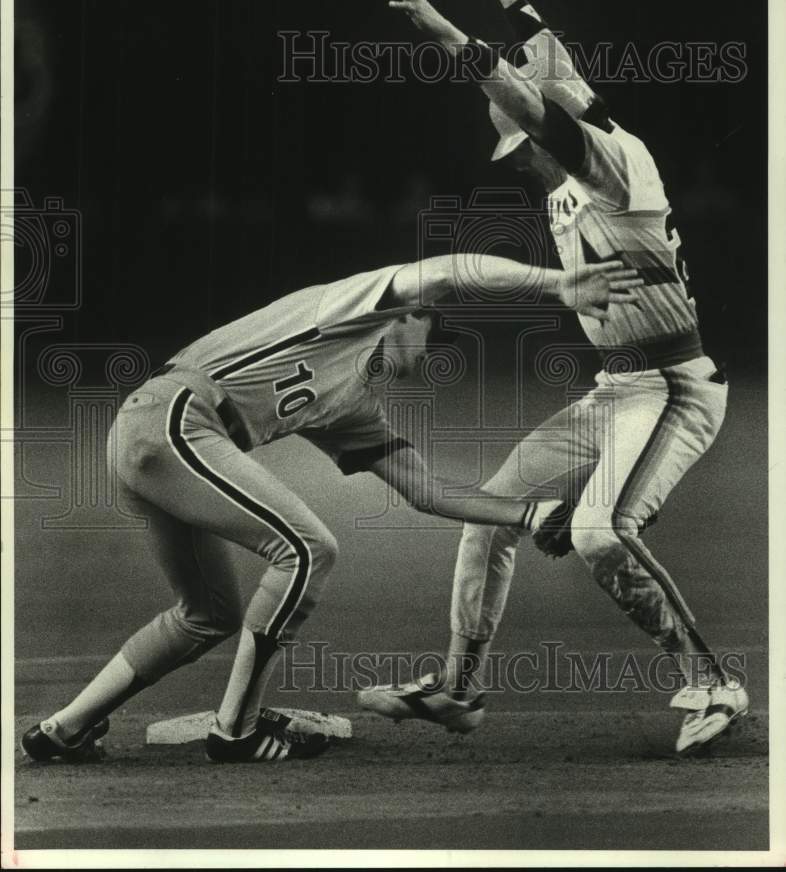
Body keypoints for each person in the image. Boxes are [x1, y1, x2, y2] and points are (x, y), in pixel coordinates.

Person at [21, 250, 639, 764]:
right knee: (307, 549)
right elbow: (450, 268)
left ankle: (66, 728)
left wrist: (530, 514)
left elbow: (425, 491)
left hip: (161, 443)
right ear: (408, 314)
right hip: (175, 419)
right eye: (432, 330)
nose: (431, 352)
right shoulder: (351, 307)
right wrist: (557, 284)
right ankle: (236, 730)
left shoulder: (351, 403)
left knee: (207, 615)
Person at [360, 0, 748, 754]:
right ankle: (460, 691)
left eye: (523, 145)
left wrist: (444, 31)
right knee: (492, 514)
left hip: (674, 388)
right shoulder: (583, 151)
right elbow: (551, 67)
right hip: (617, 390)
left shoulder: (613, 163)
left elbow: (535, 102)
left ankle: (715, 681)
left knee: (602, 533)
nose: (522, 159)